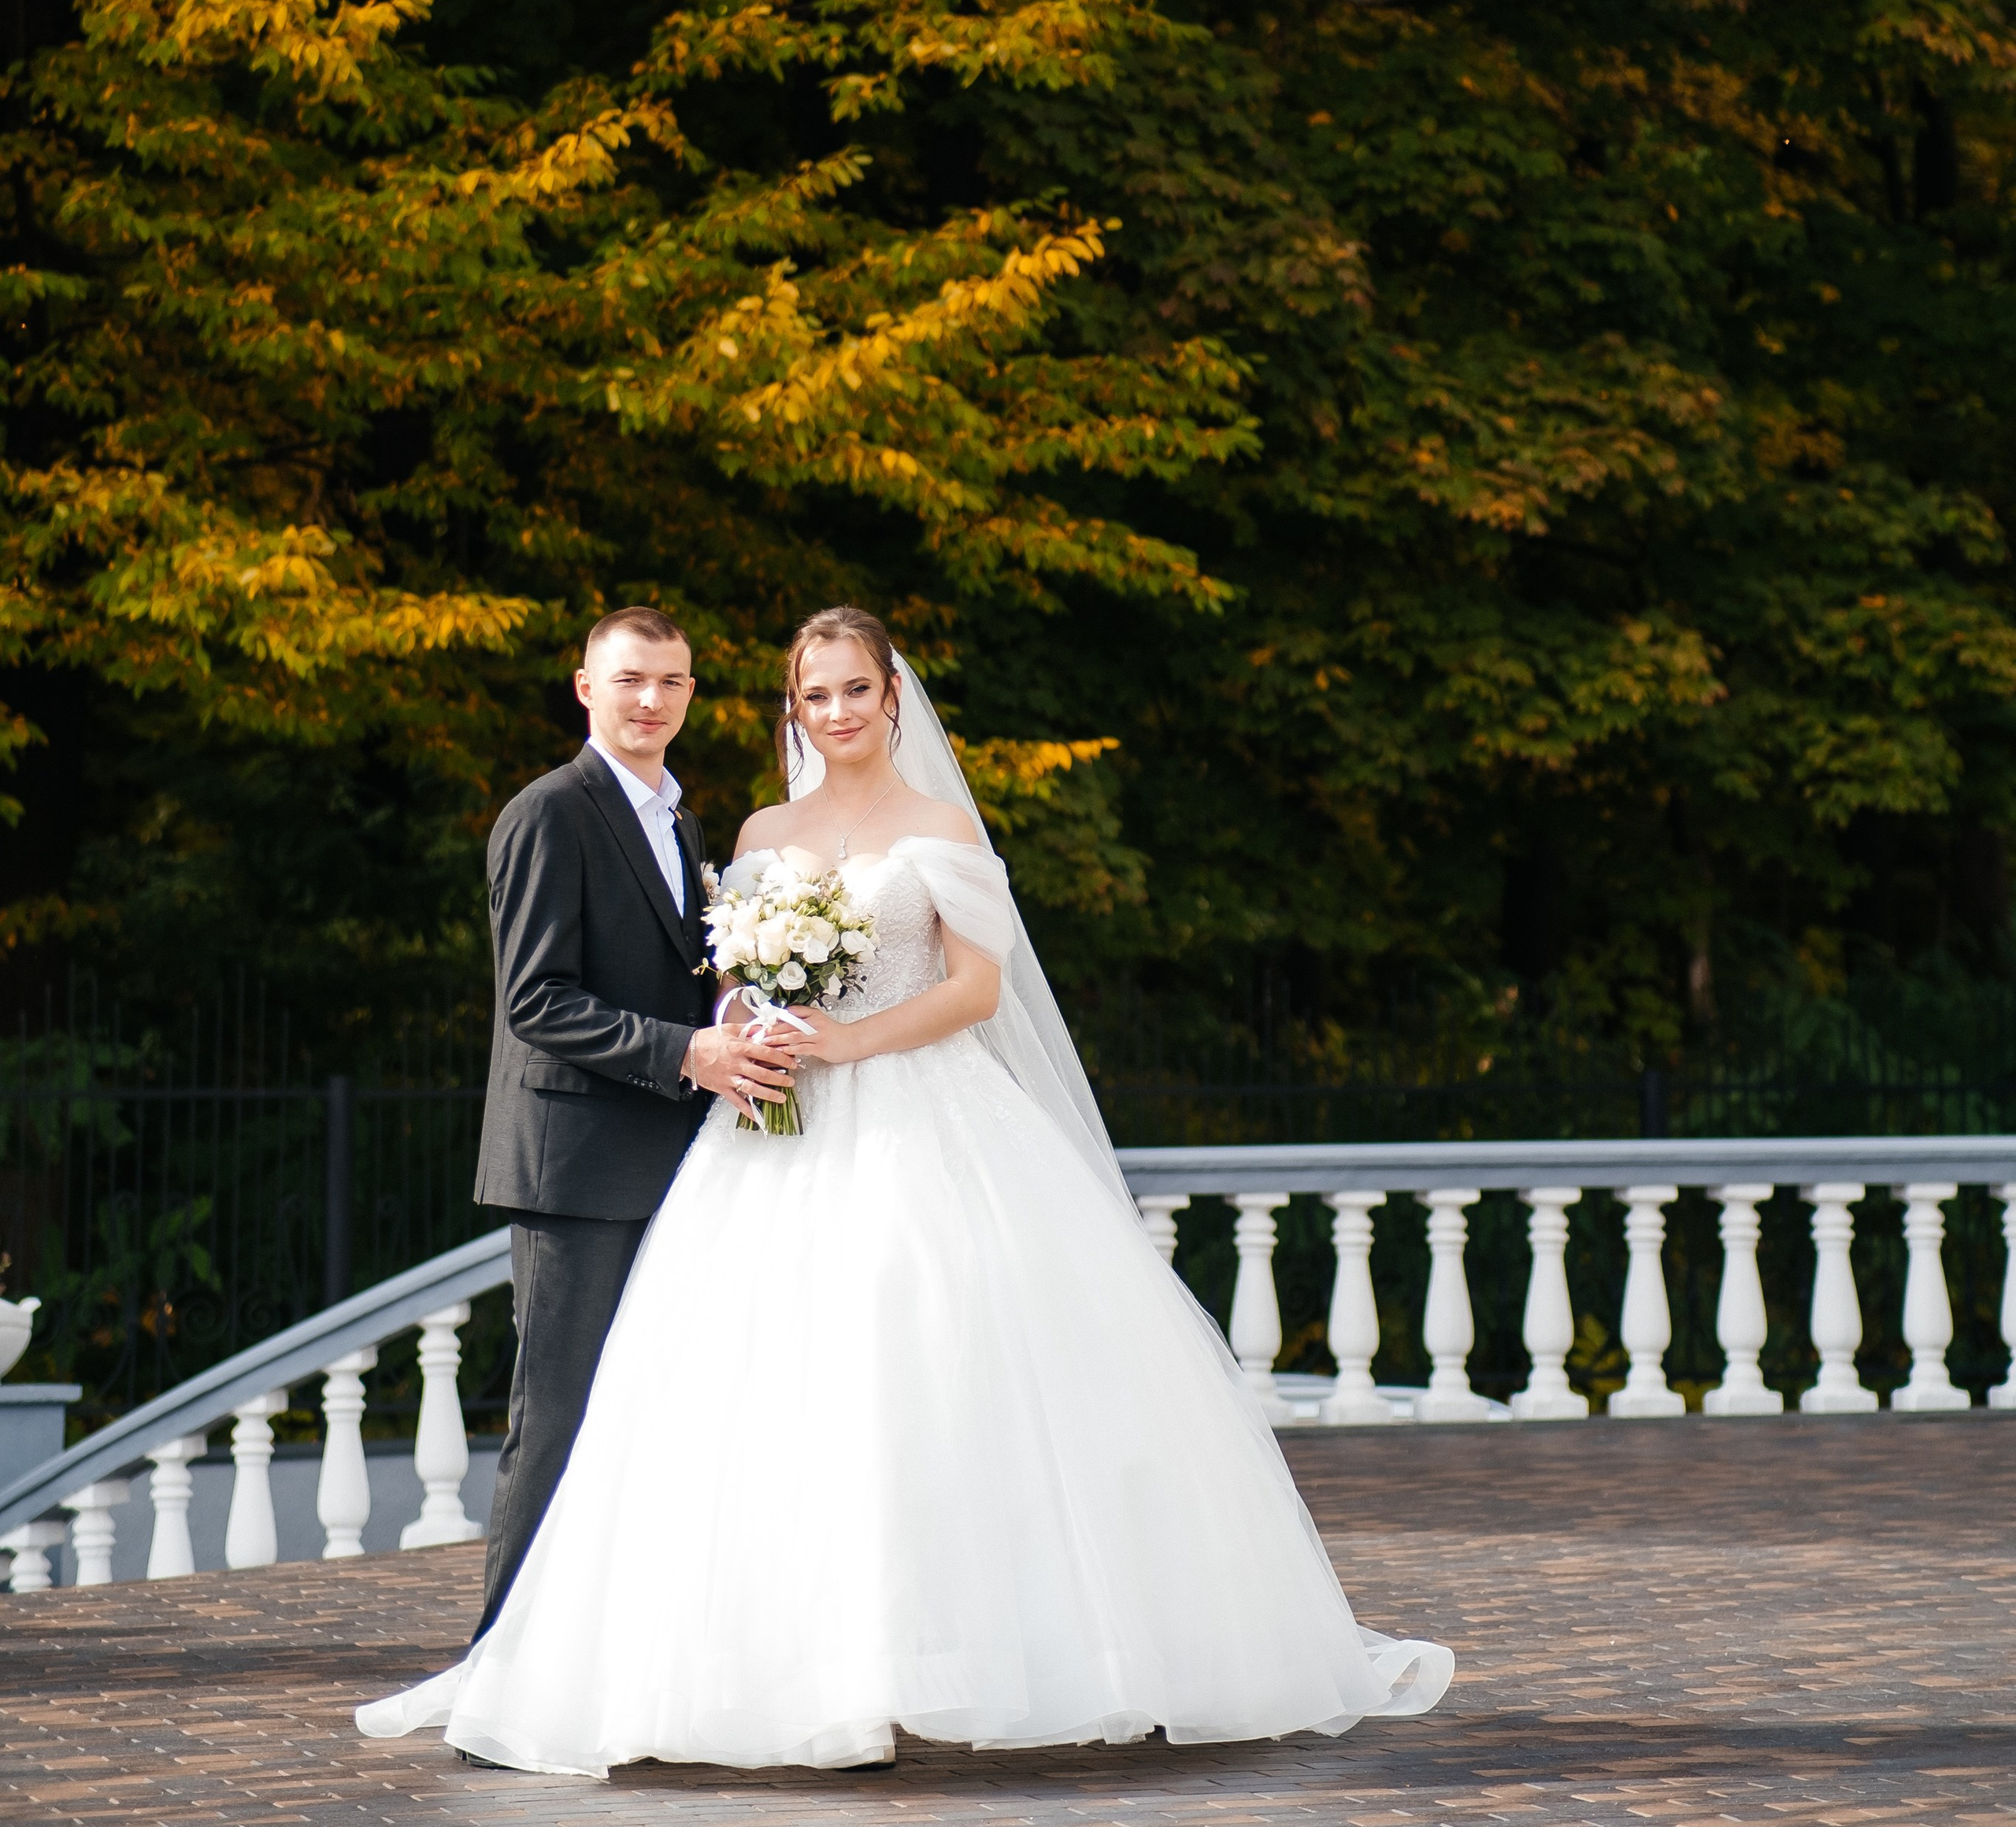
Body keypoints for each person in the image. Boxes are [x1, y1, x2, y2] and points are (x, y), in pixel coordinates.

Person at [360, 606, 1454, 1774]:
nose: (834, 712)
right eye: (812, 694)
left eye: (853, 690)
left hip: (914, 1117)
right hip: (767, 1138)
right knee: (734, 1399)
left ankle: (939, 1658)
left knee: (922, 1376)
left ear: (892, 697)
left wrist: (850, 1039)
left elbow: (979, 989)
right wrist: (747, 1026)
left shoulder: (938, 826)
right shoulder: (753, 825)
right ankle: (610, 1656)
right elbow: (698, 981)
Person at [358, 606, 794, 1741]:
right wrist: (686, 1051)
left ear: (693, 691)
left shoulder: (682, 815)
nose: (652, 700)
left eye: (672, 681)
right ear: (583, 688)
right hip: (572, 1166)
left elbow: (677, 972)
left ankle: (613, 1659)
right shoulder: (549, 811)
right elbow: (535, 1000)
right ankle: (497, 1666)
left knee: (654, 1415)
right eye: (630, 680)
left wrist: (738, 1012)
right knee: (554, 1418)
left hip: (673, 1164)